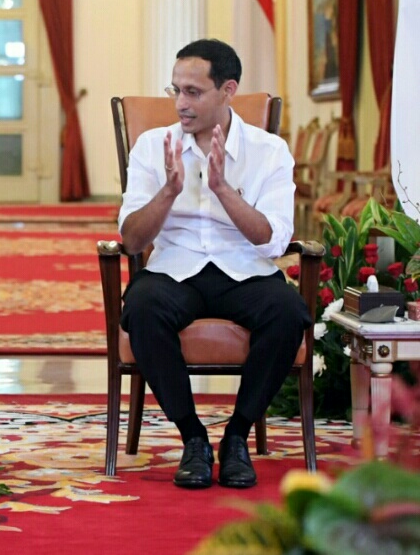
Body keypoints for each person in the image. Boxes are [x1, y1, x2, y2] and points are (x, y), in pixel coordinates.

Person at [117, 39, 311, 489]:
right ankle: (193, 438)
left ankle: (237, 437)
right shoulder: (152, 146)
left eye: (193, 92)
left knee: (287, 312)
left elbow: (272, 241)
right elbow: (131, 241)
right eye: (176, 90)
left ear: (228, 90)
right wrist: (168, 193)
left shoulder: (269, 151)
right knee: (143, 307)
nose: (181, 104)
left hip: (245, 269)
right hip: (175, 269)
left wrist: (224, 190)